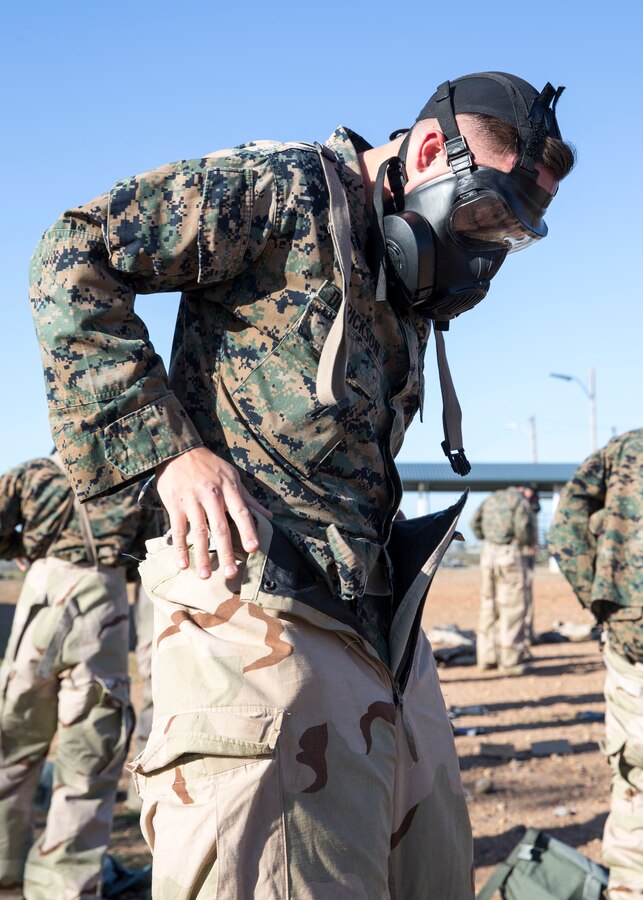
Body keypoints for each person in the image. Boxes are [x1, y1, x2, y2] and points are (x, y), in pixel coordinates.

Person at [29, 72, 574, 898]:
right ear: (430, 150)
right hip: (254, 612)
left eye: (511, 234)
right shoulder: (283, 187)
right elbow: (74, 254)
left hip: (377, 627)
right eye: (482, 216)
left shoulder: (396, 265)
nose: (486, 250)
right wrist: (165, 451)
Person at [0, 454, 157, 899]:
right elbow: (146, 554)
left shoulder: (33, 473)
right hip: (102, 610)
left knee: (11, 749)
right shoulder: (134, 480)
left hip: (39, 602)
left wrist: (26, 551)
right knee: (90, 760)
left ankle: (4, 873)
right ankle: (62, 887)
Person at [548, 429, 643, 900]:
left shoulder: (627, 449)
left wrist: (605, 603)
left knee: (636, 783)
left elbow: (564, 528)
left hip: (634, 633)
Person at [471, 485, 539, 673]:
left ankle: (487, 656)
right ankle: (510, 659)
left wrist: (488, 538)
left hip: (487, 554)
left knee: (488, 605)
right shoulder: (518, 501)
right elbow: (524, 528)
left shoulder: (491, 499)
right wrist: (524, 544)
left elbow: (474, 524)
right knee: (512, 607)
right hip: (510, 553)